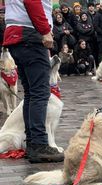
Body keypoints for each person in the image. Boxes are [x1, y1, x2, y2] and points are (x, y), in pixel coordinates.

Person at [3, 0, 64, 163]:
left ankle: (32, 142)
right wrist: (45, 31)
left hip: (17, 36)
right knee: (40, 93)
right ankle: (38, 143)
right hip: (30, 35)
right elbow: (32, 1)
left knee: (31, 93)